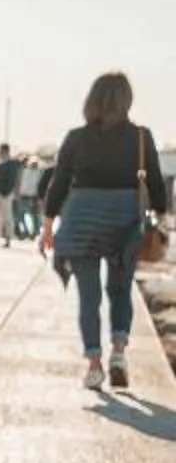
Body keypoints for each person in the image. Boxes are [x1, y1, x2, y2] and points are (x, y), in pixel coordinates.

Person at [39, 72, 166, 391]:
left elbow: (58, 184)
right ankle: (119, 354)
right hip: (124, 221)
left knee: (89, 296)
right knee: (121, 290)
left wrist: (48, 226)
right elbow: (156, 184)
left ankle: (94, 364)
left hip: (81, 219)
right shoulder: (140, 136)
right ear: (127, 100)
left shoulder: (76, 137)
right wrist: (159, 218)